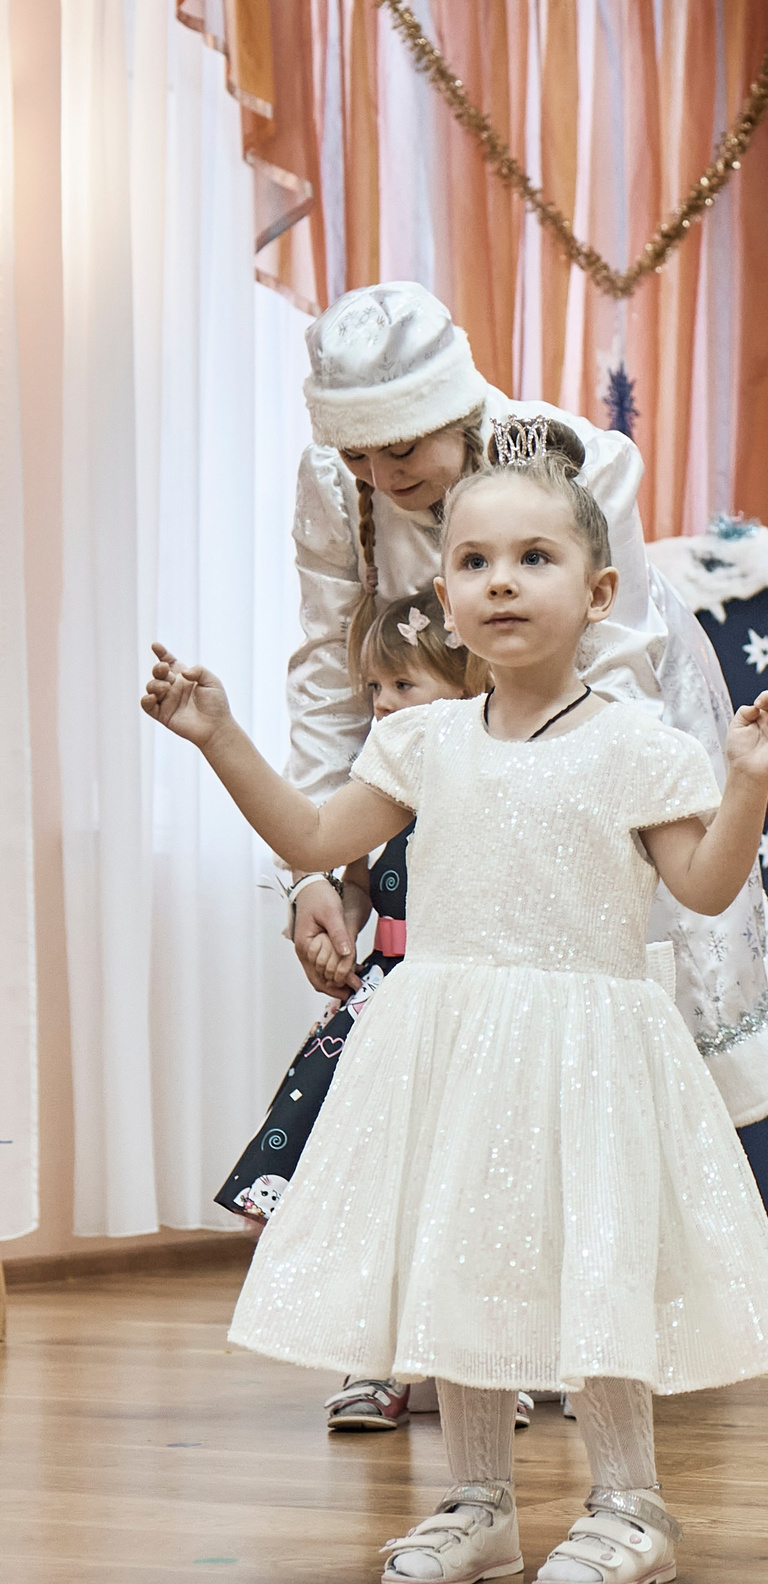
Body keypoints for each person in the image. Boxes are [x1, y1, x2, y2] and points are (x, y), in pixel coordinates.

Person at [143, 418, 768, 1584]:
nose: (501, 581)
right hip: (449, 1046)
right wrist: (219, 736)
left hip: (586, 1046)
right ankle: (481, 1501)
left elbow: (704, 886)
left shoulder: (635, 745)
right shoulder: (419, 741)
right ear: (441, 590)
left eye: (535, 559)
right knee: (464, 1257)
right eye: (473, 561)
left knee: (590, 1262)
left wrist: (746, 784)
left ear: (600, 590)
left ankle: (629, 1503)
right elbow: (309, 839)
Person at [281, 280, 768, 1121]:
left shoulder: (584, 459)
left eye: (402, 447)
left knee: (603, 1019)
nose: (380, 475)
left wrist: (575, 828)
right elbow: (328, 673)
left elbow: (618, 664)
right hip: (451, 754)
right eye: (358, 456)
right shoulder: (337, 487)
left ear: (456, 407)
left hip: (591, 730)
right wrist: (312, 877)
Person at [214, 590, 504, 1434]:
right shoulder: (383, 793)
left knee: (464, 1188)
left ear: (466, 685)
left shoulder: (488, 787)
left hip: (466, 1012)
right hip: (385, 1008)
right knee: (373, 1189)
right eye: (373, 687)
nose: (379, 704)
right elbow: (351, 871)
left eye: (401, 684)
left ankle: (487, 1363)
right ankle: (372, 1363)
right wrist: (339, 920)